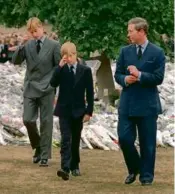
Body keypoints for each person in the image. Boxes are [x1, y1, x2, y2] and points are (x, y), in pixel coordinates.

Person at [114, 17, 165, 186]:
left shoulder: (157, 52)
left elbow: (159, 77)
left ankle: (146, 177)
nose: (128, 34)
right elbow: (118, 74)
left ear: (141, 31)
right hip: (127, 103)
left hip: (148, 105)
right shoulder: (125, 51)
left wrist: (140, 75)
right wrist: (125, 79)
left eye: (130, 31)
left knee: (147, 143)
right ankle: (134, 168)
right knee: (124, 138)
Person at [12, 17, 61, 167]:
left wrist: (55, 87)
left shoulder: (54, 45)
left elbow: (58, 68)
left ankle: (45, 155)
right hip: (30, 86)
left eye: (35, 30)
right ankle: (38, 146)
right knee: (28, 119)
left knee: (46, 122)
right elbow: (15, 61)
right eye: (31, 31)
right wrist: (22, 45)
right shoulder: (28, 45)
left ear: (41, 28)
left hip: (47, 87)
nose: (34, 34)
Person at [50, 41, 94, 180]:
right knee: (65, 139)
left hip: (79, 110)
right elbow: (53, 83)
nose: (68, 59)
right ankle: (65, 167)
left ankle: (75, 165)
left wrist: (89, 112)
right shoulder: (61, 69)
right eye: (64, 56)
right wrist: (59, 67)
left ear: (75, 54)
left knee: (75, 139)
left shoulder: (85, 71)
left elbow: (90, 93)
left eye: (69, 56)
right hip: (64, 110)